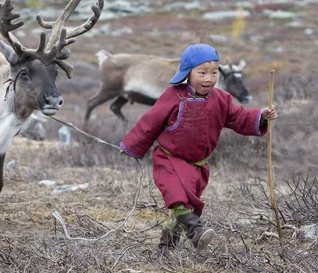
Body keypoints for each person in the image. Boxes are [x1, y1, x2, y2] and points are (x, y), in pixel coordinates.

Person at [119, 44, 278, 251]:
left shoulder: (222, 99)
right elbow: (150, 122)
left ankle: (165, 249)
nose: (208, 78)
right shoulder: (173, 96)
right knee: (177, 199)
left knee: (183, 208)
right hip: (169, 159)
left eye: (213, 73)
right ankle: (197, 232)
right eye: (202, 73)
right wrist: (131, 146)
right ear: (187, 73)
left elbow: (239, 118)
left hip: (198, 166)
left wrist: (261, 117)